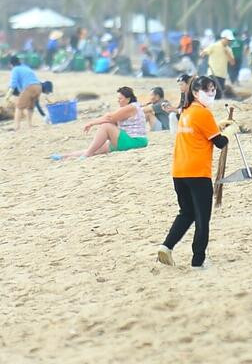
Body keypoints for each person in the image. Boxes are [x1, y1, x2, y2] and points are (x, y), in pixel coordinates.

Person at [157, 76, 232, 268]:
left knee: (187, 212)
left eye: (213, 90)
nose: (211, 94)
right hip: (197, 172)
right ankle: (198, 260)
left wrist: (220, 126)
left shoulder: (187, 110)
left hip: (179, 171)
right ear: (196, 93)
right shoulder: (203, 113)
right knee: (202, 218)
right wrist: (230, 133)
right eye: (207, 90)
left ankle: (167, 246)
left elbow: (203, 132)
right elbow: (219, 142)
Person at [70, 87, 149, 158]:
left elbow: (110, 118)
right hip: (129, 139)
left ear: (128, 99)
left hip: (135, 141)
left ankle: (87, 154)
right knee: (96, 148)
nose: (118, 101)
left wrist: (91, 123)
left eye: (120, 99)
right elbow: (111, 118)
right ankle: (66, 156)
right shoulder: (131, 107)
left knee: (106, 126)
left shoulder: (131, 107)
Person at [9, 55, 43, 130]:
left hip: (29, 87)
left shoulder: (15, 69)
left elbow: (13, 83)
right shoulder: (26, 67)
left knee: (19, 107)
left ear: (11, 64)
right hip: (38, 86)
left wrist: (8, 94)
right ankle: (30, 125)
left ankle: (17, 126)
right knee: (30, 107)